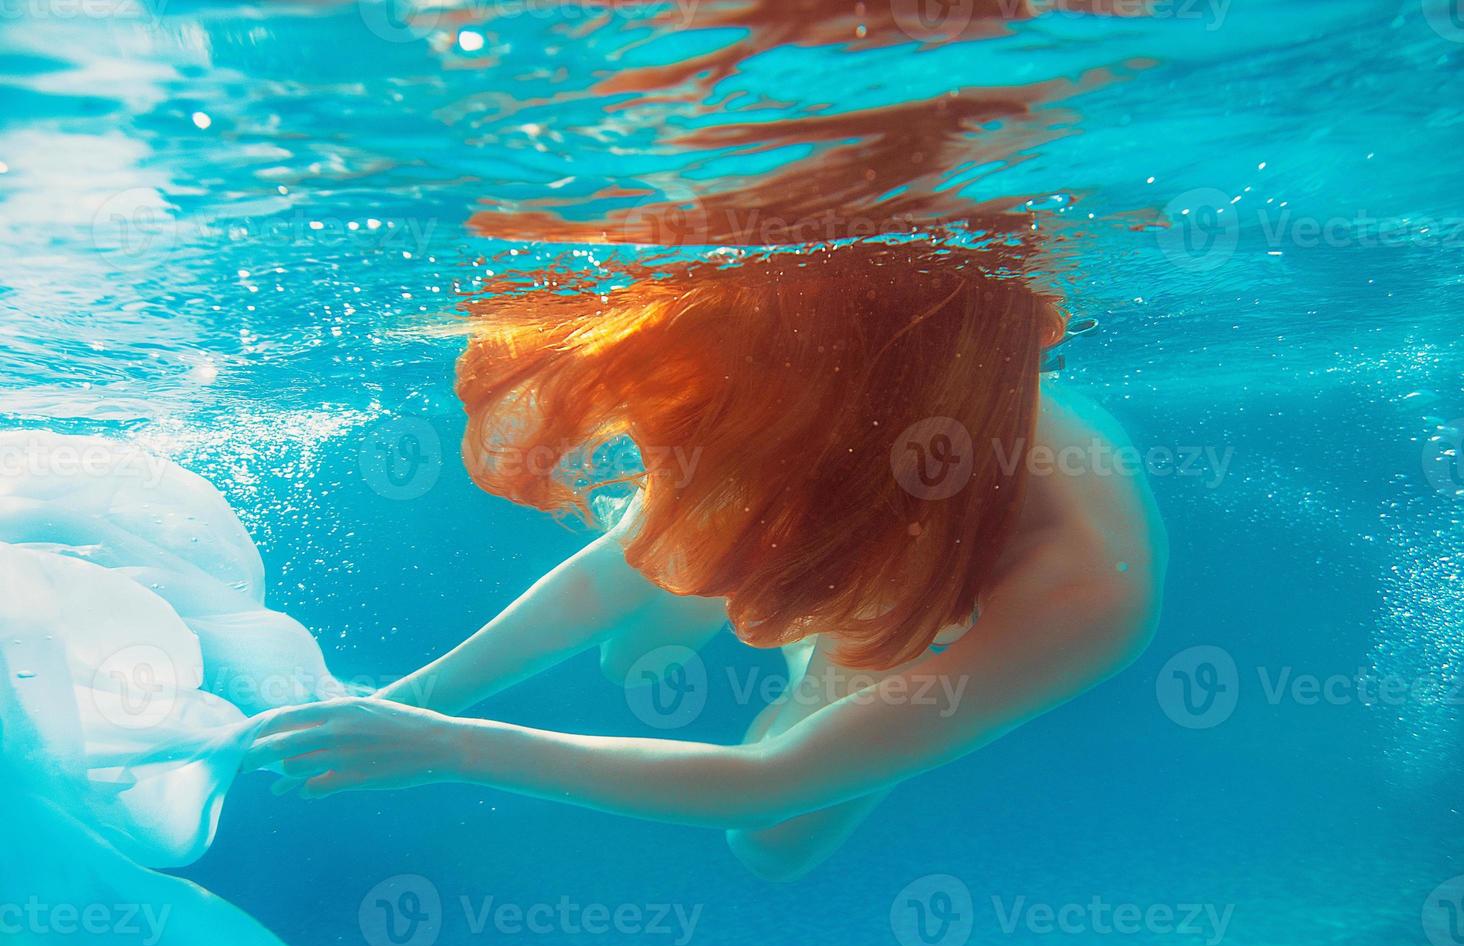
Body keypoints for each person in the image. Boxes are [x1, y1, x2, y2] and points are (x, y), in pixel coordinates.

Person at [246, 242, 1168, 881]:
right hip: (885, 490)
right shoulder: (828, 408)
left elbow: (769, 786)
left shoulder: (1084, 587)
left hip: (941, 574)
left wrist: (450, 747)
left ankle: (820, 641)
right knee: (630, 647)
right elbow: (611, 571)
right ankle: (752, 601)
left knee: (771, 844)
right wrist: (413, 700)